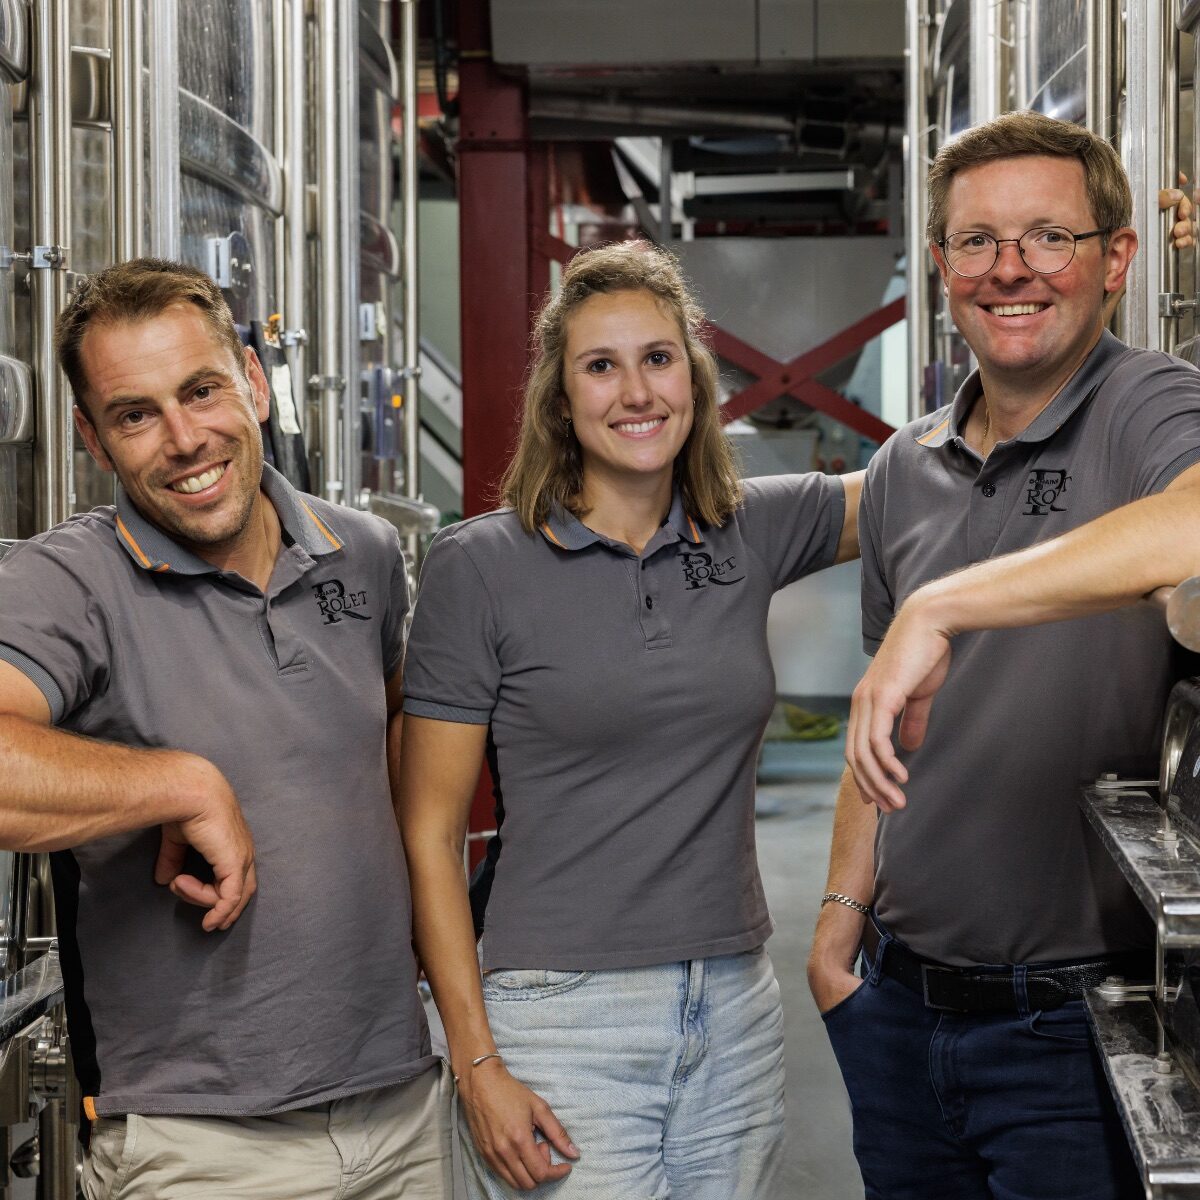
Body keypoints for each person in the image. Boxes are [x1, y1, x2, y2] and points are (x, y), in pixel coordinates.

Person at [397, 240, 861, 1198]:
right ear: (560, 399)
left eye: (658, 358)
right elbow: (430, 834)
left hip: (734, 1011)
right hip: (561, 1019)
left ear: (693, 378)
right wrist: (477, 1063)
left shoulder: (749, 528)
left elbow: (946, 473)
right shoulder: (479, 568)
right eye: (600, 366)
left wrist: (1059, 306)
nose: (637, 391)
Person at [808, 110, 1200, 1200]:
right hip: (898, 1008)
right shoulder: (904, 465)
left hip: (1074, 1028)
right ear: (941, 265)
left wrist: (943, 607)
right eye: (976, 241)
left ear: (1117, 259)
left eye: (1050, 237)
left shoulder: (1147, 404)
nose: (1010, 269)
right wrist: (839, 923)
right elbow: (883, 721)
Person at [0, 259, 452, 1199]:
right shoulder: (68, 584)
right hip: (199, 1146)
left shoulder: (362, 554)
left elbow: (405, 769)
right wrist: (179, 783)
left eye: (202, 390)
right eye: (136, 414)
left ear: (252, 379)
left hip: (405, 1106)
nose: (184, 439)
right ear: (91, 438)